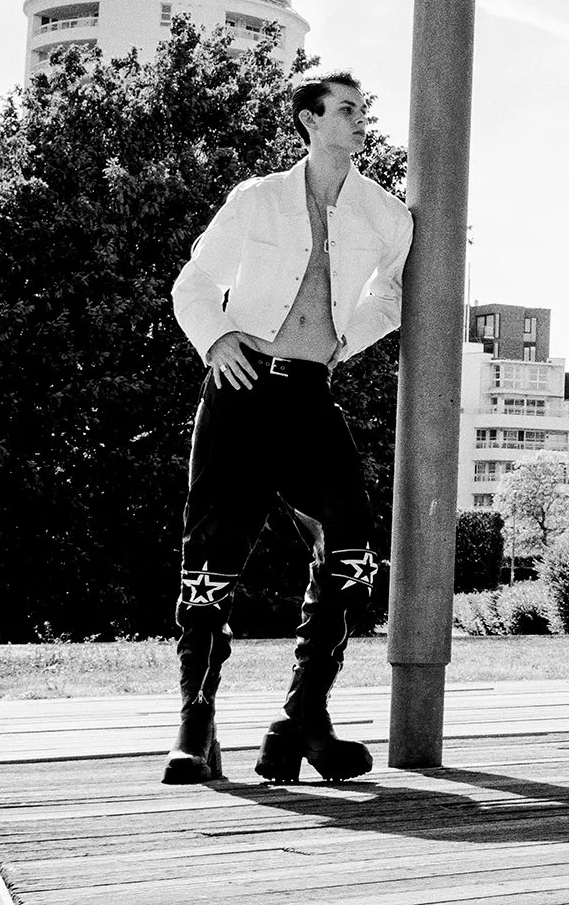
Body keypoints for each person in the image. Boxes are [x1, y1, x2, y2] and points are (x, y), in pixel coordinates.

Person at [161, 72, 413, 785]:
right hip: (240, 390)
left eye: (363, 110)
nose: (360, 121)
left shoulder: (385, 215)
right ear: (308, 120)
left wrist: (341, 342)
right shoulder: (259, 197)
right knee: (210, 554)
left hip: (308, 393)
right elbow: (194, 284)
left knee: (354, 543)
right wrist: (215, 340)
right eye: (346, 110)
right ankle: (194, 728)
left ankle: (302, 718)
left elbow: (390, 298)